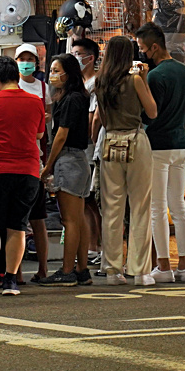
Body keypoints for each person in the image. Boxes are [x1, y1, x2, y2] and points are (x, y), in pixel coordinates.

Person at [0, 56, 45, 296]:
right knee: (17, 227)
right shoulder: (35, 102)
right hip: (28, 171)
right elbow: (39, 133)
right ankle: (11, 281)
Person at [93, 36, 158, 286]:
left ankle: (112, 270)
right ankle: (139, 271)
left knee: (112, 209)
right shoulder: (134, 80)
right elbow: (152, 112)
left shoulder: (101, 82)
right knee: (140, 207)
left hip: (110, 142)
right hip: (135, 140)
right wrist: (145, 79)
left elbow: (104, 121)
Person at [135, 22, 185, 283]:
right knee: (179, 207)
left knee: (157, 208)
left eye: (143, 48)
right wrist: (180, 133)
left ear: (155, 47)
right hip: (180, 145)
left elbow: (150, 114)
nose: (141, 53)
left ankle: (163, 265)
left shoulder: (155, 76)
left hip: (157, 146)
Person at [39, 54, 92, 286]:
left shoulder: (71, 99)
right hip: (79, 160)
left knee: (69, 220)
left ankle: (67, 270)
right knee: (79, 219)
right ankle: (81, 269)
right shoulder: (77, 97)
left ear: (68, 73)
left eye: (56, 70)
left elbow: (61, 135)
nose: (52, 74)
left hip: (68, 160)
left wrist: (48, 166)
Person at [14, 43, 51, 284]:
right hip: (17, 158)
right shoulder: (12, 86)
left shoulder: (44, 88)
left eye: (30, 59)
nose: (26, 63)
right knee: (16, 220)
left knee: (37, 218)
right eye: (22, 59)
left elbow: (46, 126)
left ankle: (43, 268)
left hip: (35, 158)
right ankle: (14, 270)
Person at [71, 36, 104, 268]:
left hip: (91, 151)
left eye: (77, 54)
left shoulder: (95, 84)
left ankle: (103, 247)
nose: (75, 59)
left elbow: (95, 119)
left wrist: (90, 142)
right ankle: (92, 247)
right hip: (84, 151)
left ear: (90, 58)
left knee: (95, 203)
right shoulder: (80, 84)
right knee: (87, 203)